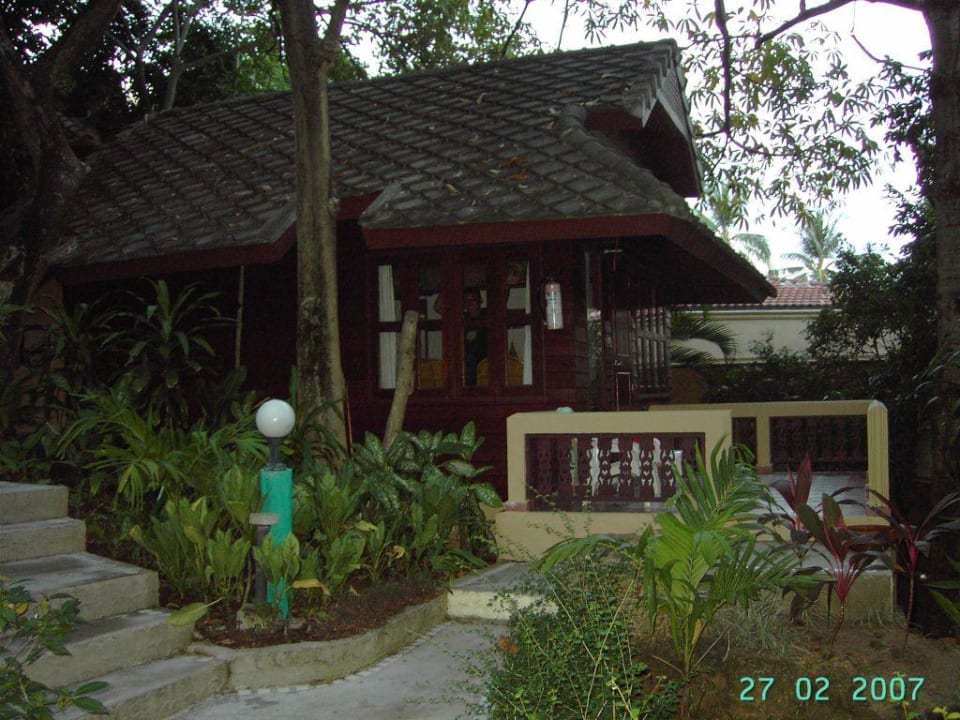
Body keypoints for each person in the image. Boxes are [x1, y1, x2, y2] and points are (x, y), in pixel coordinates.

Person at [462, 287, 487, 386]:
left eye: (473, 299)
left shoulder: (487, 315)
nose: (470, 303)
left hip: (486, 364)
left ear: (480, 301)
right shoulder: (462, 318)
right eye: (466, 300)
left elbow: (501, 303)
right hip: (466, 367)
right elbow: (438, 308)